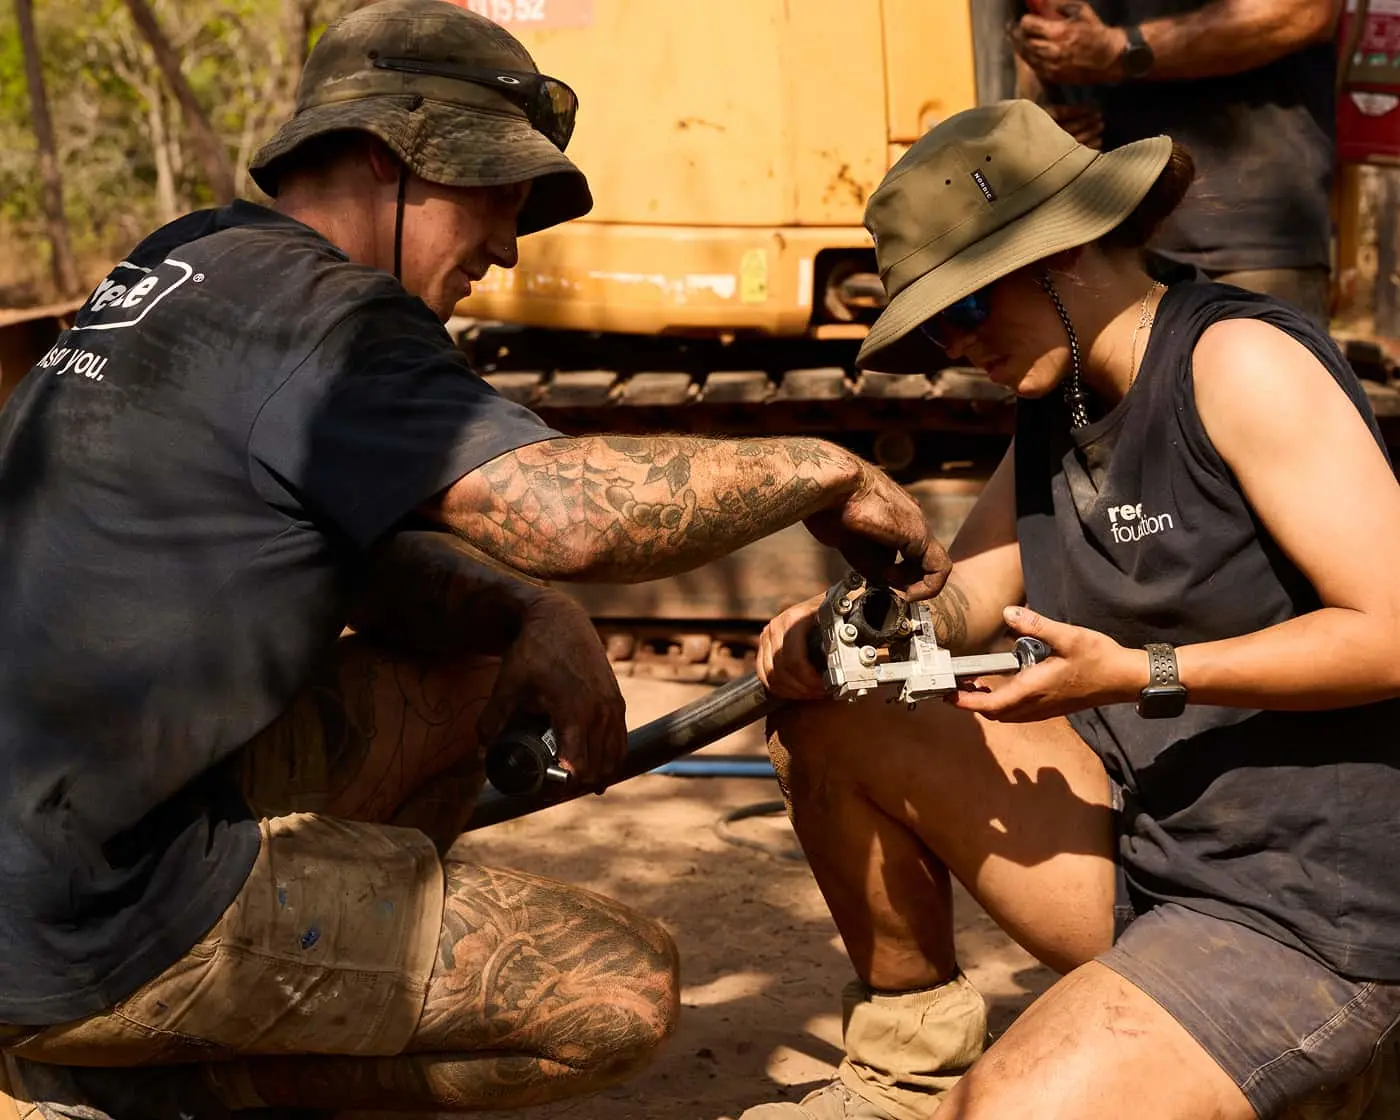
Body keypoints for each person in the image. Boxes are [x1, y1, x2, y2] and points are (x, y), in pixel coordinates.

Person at [0, 2, 953, 1116]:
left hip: (56, 838)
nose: (505, 246)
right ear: (383, 158)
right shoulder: (330, 315)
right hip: (81, 913)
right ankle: (115, 1079)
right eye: (495, 195)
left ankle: (133, 1033)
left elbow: (338, 551)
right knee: (615, 989)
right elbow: (561, 516)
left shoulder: (197, 261)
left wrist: (528, 615)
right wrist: (823, 470)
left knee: (469, 665)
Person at [739, 99, 1400, 1120]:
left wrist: (1146, 672)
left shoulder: (1238, 363)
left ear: (1061, 252)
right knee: (840, 709)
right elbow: (960, 602)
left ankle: (1341, 1063)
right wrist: (846, 620)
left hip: (1308, 904)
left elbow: (1391, 633)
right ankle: (899, 1078)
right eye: (932, 331)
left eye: (963, 311)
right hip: (1156, 856)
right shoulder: (1064, 401)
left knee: (1003, 1109)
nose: (958, 348)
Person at [1012, 0, 1342, 328]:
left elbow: (1307, 11)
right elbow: (1036, 26)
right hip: (1096, 240)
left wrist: (1125, 49)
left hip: (1245, 241)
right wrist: (1044, 119)